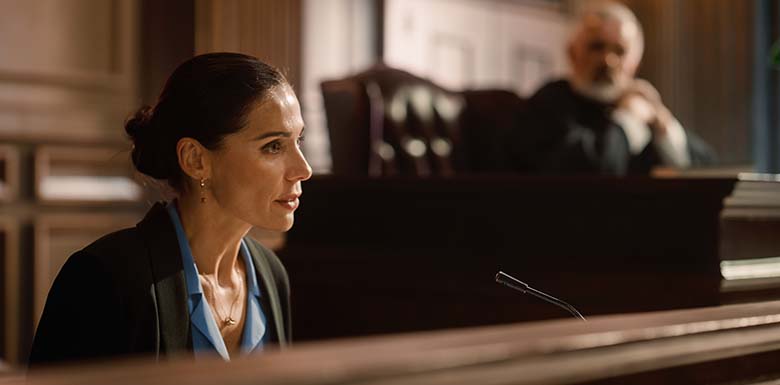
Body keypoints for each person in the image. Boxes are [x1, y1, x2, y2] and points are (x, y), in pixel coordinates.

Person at [29, 52, 312, 366]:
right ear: (195, 160)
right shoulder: (103, 280)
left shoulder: (271, 275)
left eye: (299, 140)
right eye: (273, 146)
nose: (304, 168)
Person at [512, 1, 715, 175]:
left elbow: (707, 171)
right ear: (572, 53)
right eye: (596, 47)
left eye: (620, 50)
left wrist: (664, 126)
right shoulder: (550, 102)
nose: (608, 60)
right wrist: (629, 120)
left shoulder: (643, 104)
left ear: (636, 61)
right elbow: (587, 171)